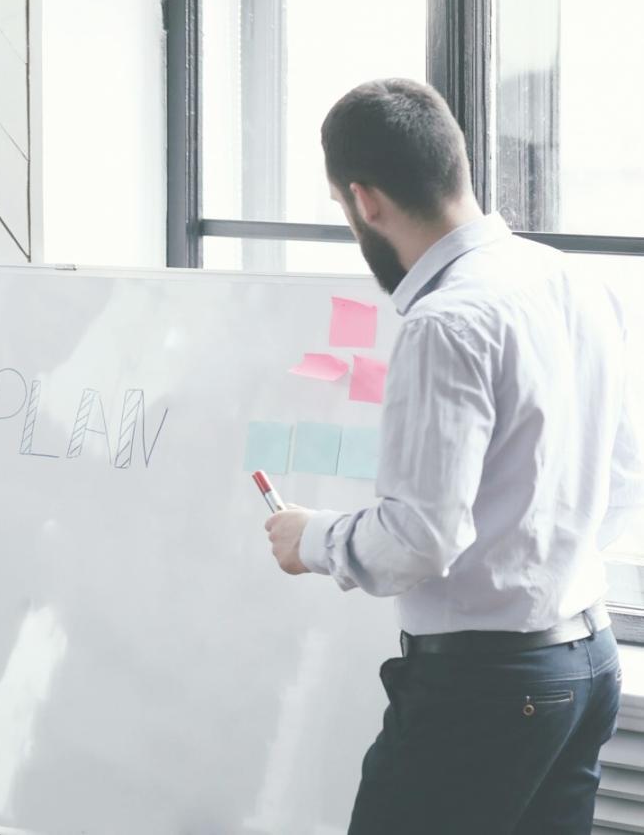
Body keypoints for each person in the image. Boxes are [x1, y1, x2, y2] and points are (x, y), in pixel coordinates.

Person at [264, 78, 644, 833]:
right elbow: (625, 474)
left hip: (485, 689)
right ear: (455, 164)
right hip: (587, 663)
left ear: (364, 200)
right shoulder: (575, 281)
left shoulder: (444, 322)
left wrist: (310, 539)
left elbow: (420, 538)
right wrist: (539, 564)